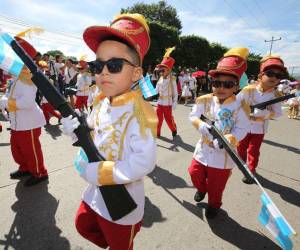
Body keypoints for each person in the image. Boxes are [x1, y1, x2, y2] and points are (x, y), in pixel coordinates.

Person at [61, 13, 157, 249]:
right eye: (97, 65)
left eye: (114, 65)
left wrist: (104, 173)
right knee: (82, 224)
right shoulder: (101, 102)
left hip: (121, 201)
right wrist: (75, 131)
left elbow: (144, 162)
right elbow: (92, 136)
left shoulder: (141, 113)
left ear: (135, 73)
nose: (103, 71)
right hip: (94, 191)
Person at [188, 48, 249, 219]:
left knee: (217, 186)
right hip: (203, 149)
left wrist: (232, 138)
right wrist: (202, 126)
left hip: (224, 155)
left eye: (228, 84)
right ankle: (201, 189)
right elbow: (193, 116)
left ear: (236, 86)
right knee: (194, 173)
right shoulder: (204, 100)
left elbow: (243, 127)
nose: (221, 87)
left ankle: (214, 204)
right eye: (217, 83)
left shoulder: (240, 106)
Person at [0, 36, 48, 186]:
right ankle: (25, 168)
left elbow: (26, 102)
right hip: (17, 121)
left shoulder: (28, 76)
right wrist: (5, 98)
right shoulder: (17, 75)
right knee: (17, 148)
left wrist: (7, 102)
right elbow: (11, 92)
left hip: (28, 122)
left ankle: (40, 173)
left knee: (30, 150)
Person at [237, 55, 285, 184]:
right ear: (261, 75)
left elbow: (278, 113)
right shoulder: (248, 89)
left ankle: (250, 171)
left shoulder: (276, 94)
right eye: (270, 73)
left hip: (260, 128)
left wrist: (265, 114)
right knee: (240, 149)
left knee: (253, 151)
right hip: (244, 125)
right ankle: (242, 166)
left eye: (278, 75)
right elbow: (236, 104)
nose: (274, 77)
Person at [155, 47, 178, 138]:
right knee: (158, 119)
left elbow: (175, 93)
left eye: (163, 70)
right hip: (160, 103)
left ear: (168, 70)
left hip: (168, 104)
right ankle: (157, 132)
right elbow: (156, 90)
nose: (161, 72)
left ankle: (173, 129)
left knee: (168, 119)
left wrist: (175, 102)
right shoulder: (160, 79)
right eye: (160, 70)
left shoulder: (172, 80)